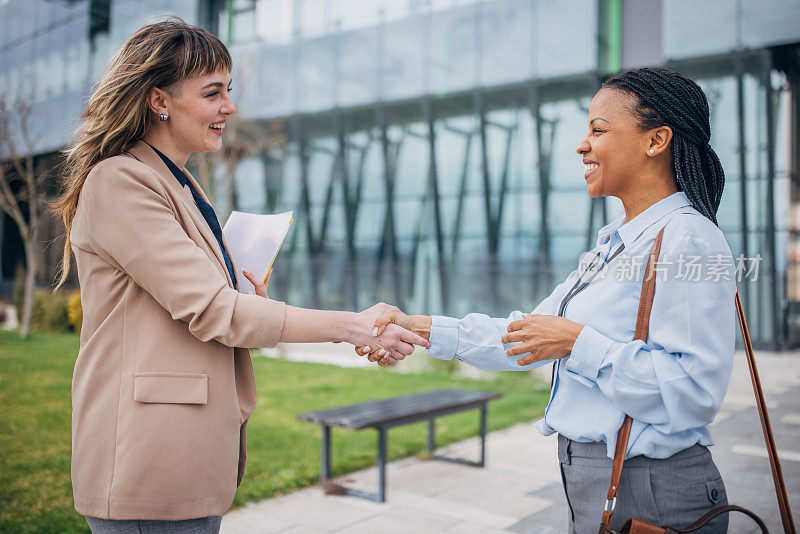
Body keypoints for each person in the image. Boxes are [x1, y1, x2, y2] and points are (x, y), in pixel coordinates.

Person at [53, 19, 427, 533]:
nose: (229, 107)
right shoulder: (121, 180)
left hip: (185, 457)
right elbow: (213, 312)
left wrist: (247, 297)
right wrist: (353, 325)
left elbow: (210, 306)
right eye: (213, 93)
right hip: (147, 462)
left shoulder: (182, 185)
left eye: (229, 91)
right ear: (158, 100)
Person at [359, 67, 735, 532]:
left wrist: (578, 343)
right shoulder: (616, 244)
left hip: (652, 490)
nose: (582, 145)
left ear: (656, 141)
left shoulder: (688, 239)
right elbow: (525, 336)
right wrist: (415, 326)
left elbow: (693, 393)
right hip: (598, 481)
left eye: (598, 130)